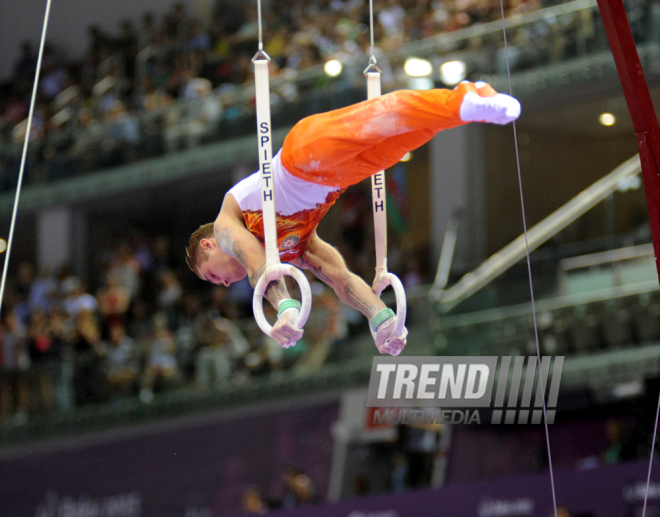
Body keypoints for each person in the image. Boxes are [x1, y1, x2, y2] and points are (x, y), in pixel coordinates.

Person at [186, 81, 520, 355]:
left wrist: (286, 307)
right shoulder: (294, 249)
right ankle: (473, 98)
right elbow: (339, 277)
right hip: (338, 179)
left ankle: (463, 99)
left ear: (209, 244)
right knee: (408, 133)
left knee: (381, 117)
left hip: (302, 155)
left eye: (213, 276)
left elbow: (259, 267)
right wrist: (381, 319)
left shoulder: (226, 224)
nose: (224, 284)